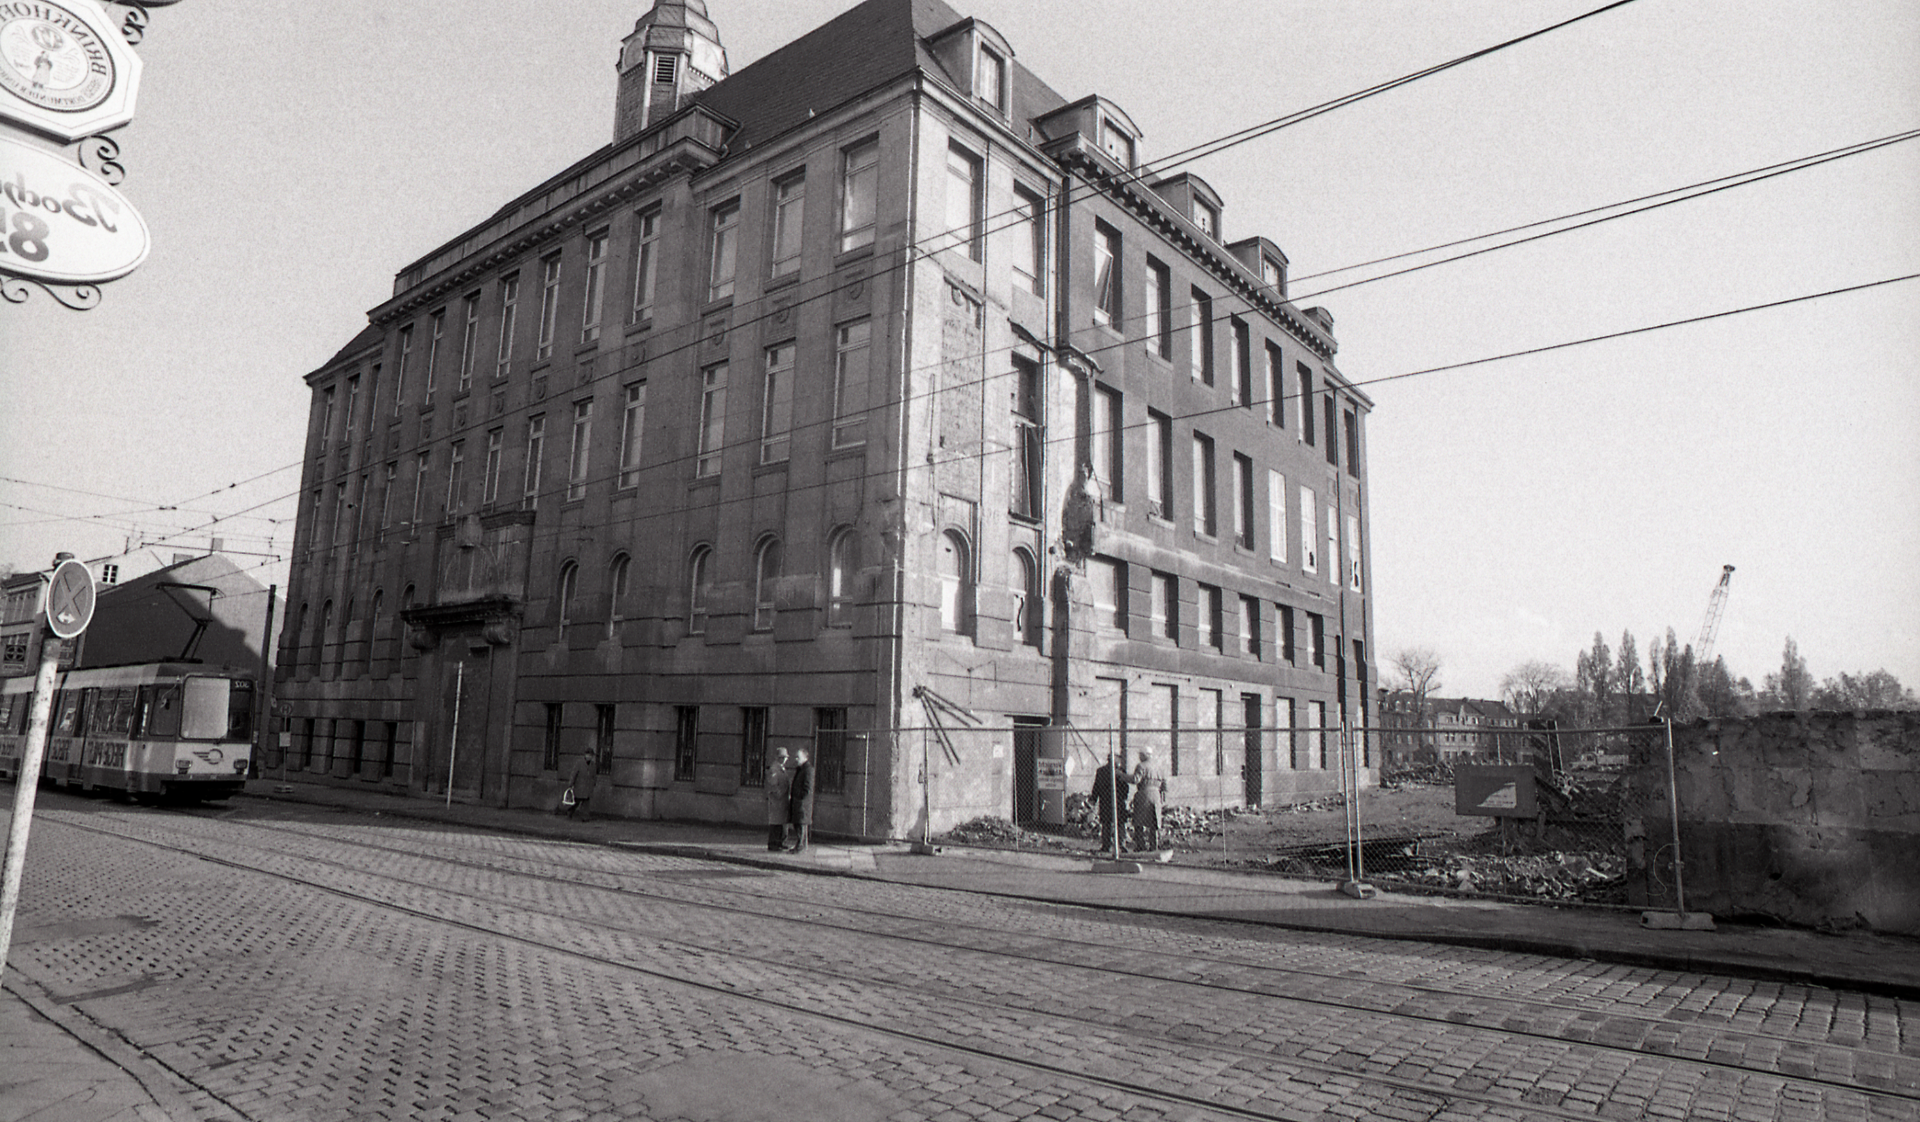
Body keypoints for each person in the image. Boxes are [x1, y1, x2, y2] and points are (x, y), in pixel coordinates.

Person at [1129, 748, 1166, 853]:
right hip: (1156, 795)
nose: (1139, 757)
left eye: (1140, 755)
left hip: (1143, 794)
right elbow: (1165, 784)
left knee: (1138, 821)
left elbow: (1135, 780)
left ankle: (1141, 845)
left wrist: (1122, 776)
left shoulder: (1141, 766)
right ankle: (1154, 846)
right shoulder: (1159, 766)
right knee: (1154, 821)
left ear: (1144, 755)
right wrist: (1163, 797)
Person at [1091, 754, 1128, 853]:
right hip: (1118, 801)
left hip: (1105, 801)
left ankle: (1106, 845)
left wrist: (1094, 798)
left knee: (1106, 824)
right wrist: (1124, 797)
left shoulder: (1101, 771)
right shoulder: (1120, 772)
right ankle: (1121, 844)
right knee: (1120, 823)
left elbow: (1096, 787)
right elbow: (1125, 787)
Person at [787, 746, 815, 853]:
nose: (796, 759)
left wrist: (798, 796)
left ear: (805, 757)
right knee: (798, 825)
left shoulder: (808, 770)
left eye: (798, 757)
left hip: (802, 804)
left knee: (801, 825)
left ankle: (800, 847)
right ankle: (801, 846)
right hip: (798, 803)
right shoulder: (801, 769)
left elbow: (807, 789)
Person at [764, 747, 792, 851]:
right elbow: (773, 786)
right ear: (777, 758)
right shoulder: (774, 769)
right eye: (782, 757)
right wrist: (779, 794)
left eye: (785, 757)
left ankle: (780, 842)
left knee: (781, 822)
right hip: (777, 801)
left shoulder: (782, 768)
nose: (784, 759)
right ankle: (774, 843)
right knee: (776, 823)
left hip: (783, 801)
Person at [565, 750, 598, 822]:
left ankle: (585, 817)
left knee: (586, 802)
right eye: (588, 755)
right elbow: (574, 774)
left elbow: (594, 775)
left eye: (591, 756)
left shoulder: (593, 765)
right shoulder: (579, 763)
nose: (589, 757)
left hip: (588, 787)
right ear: (585, 755)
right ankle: (570, 811)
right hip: (579, 786)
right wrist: (571, 784)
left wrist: (594, 783)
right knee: (577, 801)